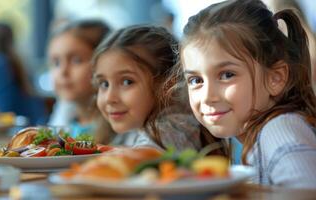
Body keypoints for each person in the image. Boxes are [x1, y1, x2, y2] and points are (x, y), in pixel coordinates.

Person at [176, 0, 316, 188]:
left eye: (227, 75)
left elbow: (306, 192)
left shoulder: (279, 130)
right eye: (196, 80)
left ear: (275, 78)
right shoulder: (244, 137)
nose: (208, 96)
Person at [92, 25, 213, 151]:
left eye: (127, 82)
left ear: (167, 85)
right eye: (104, 84)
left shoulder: (172, 128)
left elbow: (143, 158)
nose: (110, 98)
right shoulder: (134, 128)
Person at [47, 19, 115, 144]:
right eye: (56, 62)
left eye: (76, 60)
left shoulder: (121, 125)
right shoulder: (63, 112)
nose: (63, 71)